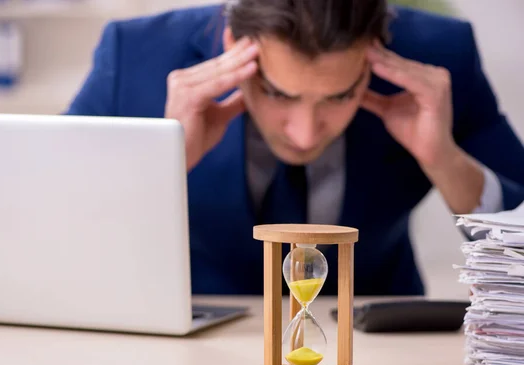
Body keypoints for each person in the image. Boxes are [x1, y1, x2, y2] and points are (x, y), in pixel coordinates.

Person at [65, 0, 524, 296]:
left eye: (339, 95)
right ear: (234, 47)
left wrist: (443, 159)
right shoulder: (134, 55)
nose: (305, 134)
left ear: (375, 50)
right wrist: (160, 168)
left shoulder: (441, 56)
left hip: (383, 341)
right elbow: (50, 229)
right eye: (279, 94)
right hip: (189, 334)